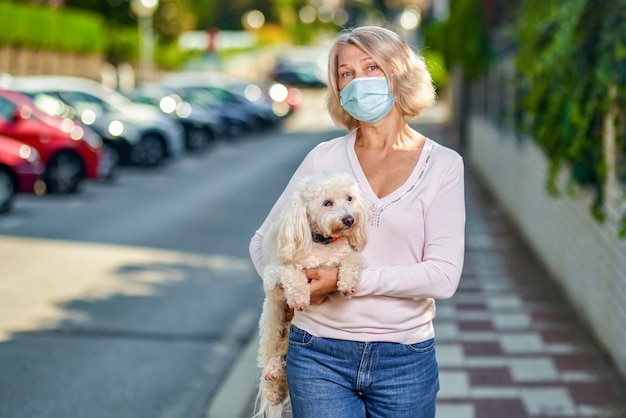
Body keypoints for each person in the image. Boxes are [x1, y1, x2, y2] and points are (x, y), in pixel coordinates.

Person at [249, 25, 465, 418]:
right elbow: (263, 241)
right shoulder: (323, 158)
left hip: (405, 358)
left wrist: (349, 281)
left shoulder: (443, 165)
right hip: (318, 354)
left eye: (371, 67)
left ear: (399, 74)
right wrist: (294, 287)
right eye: (345, 73)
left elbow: (443, 276)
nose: (357, 80)